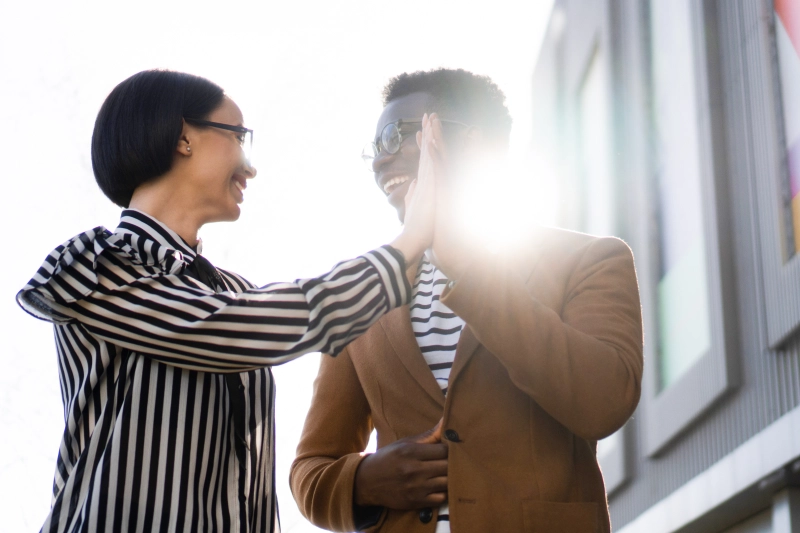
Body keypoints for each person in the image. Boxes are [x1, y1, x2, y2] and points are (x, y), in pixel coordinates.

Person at [16, 69, 441, 533]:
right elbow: (228, 328)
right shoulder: (95, 264)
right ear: (183, 137)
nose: (250, 166)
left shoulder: (235, 292)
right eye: (239, 137)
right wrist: (409, 241)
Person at [290, 68, 644, 533]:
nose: (381, 160)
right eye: (375, 148)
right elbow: (310, 468)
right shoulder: (365, 291)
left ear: (473, 143)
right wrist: (365, 480)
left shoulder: (590, 261)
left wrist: (469, 270)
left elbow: (604, 401)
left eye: (398, 135)